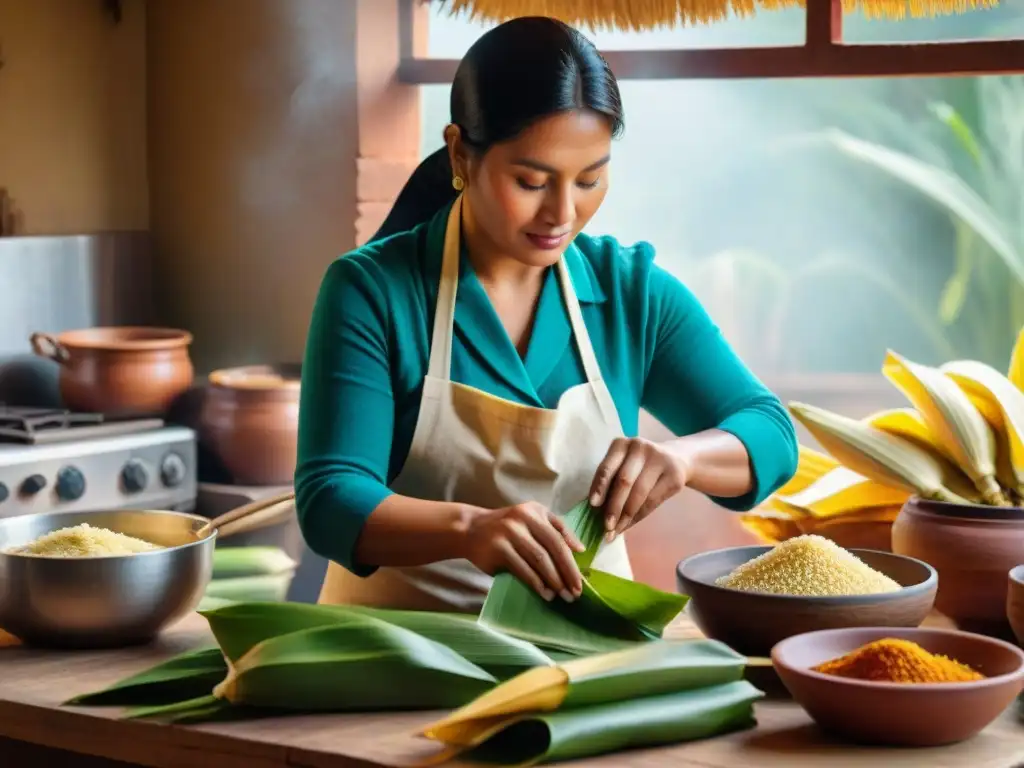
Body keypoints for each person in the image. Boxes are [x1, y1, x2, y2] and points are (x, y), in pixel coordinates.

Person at [294, 16, 799, 612]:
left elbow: (771, 433)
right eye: (532, 181)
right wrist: (468, 529)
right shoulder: (373, 291)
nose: (563, 212)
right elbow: (330, 498)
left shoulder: (630, 292)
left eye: (590, 179)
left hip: (584, 664)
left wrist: (682, 459)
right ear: (460, 152)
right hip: (399, 663)